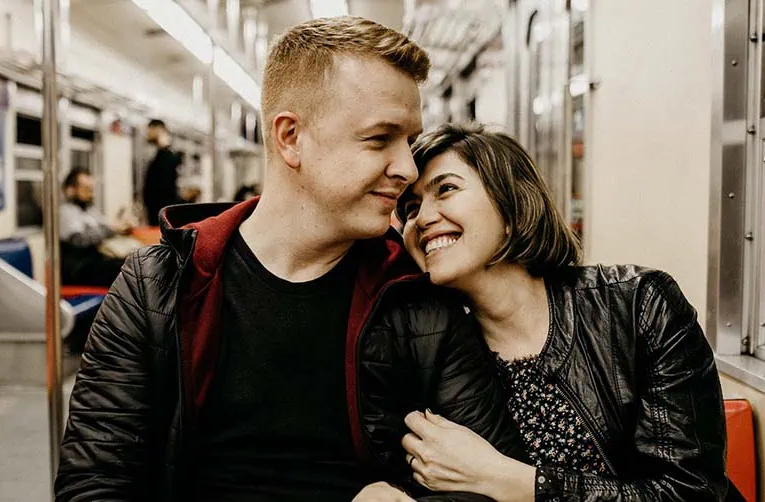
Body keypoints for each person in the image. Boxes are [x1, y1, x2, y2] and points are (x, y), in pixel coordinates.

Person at [56, 18, 521, 502]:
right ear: (291, 138)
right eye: (380, 138)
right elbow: (94, 482)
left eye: (408, 141)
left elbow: (485, 482)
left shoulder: (416, 300)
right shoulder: (156, 288)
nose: (406, 168)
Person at [394, 124, 732, 501]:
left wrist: (508, 480)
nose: (422, 219)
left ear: (513, 208)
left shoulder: (638, 305)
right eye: (410, 208)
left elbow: (692, 492)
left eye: (447, 189)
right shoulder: (431, 351)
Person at [59, 167, 128, 288]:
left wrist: (121, 227)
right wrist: (110, 229)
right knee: (125, 270)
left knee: (132, 263)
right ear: (71, 190)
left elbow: (104, 227)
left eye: (92, 189)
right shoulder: (65, 212)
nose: (91, 193)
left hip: (94, 262)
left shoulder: (90, 210)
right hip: (77, 269)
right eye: (86, 189)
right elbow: (80, 239)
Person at [142, 119, 182, 225]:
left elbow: (165, 190)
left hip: (162, 215)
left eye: (149, 130)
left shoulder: (167, 157)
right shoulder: (160, 156)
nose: (147, 133)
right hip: (158, 214)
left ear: (159, 130)